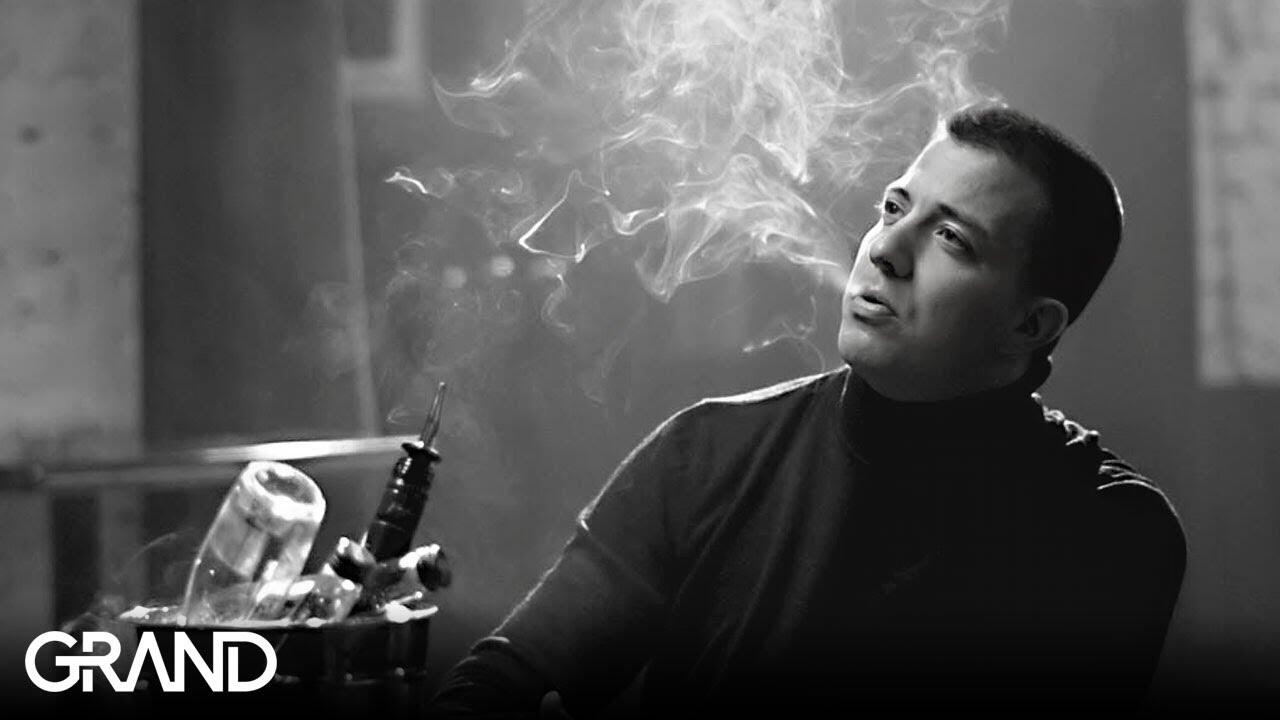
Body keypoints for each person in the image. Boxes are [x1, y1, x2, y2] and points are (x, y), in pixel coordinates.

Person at [427, 104, 1187, 717]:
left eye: (952, 239)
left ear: (1031, 325)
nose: (886, 250)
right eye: (893, 208)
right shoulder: (708, 453)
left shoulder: (1109, 532)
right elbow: (500, 682)